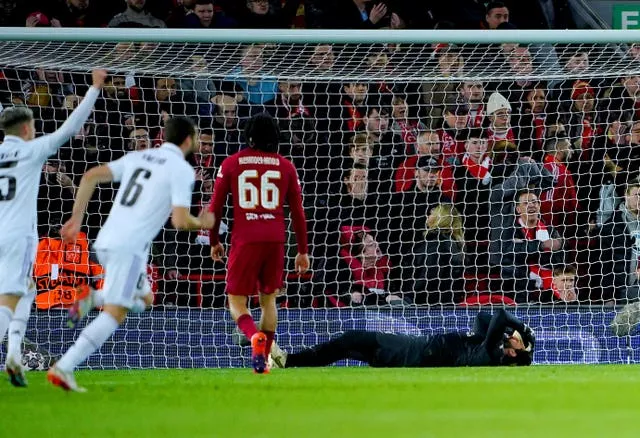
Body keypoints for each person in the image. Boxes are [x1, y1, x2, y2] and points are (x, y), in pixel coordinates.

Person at [47, 117, 214, 392]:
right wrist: (203, 222)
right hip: (130, 246)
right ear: (188, 140)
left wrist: (76, 220)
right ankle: (64, 367)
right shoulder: (182, 170)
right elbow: (181, 221)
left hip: (107, 238)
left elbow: (89, 176)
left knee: (146, 299)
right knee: (116, 312)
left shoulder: (140, 156)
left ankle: (93, 297)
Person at [0, 69, 105, 387]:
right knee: (9, 298)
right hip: (17, 236)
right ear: (28, 128)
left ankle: (14, 354)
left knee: (28, 289)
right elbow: (71, 127)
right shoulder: (32, 150)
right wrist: (95, 88)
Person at [208, 112, 310, 374]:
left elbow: (215, 208)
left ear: (249, 135)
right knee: (269, 301)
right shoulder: (286, 167)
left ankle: (254, 336)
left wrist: (214, 241)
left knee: (236, 301)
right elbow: (298, 213)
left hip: (245, 238)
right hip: (275, 238)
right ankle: (262, 361)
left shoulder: (231, 164)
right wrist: (302, 251)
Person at [269, 309, 534, 368]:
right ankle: (288, 360)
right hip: (410, 352)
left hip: (409, 351)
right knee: (342, 349)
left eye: (517, 341)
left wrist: (520, 325)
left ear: (512, 353)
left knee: (348, 341)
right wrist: (510, 333)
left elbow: (499, 316)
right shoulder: (483, 346)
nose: (514, 336)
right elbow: (483, 319)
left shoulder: (487, 354)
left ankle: (288, 359)